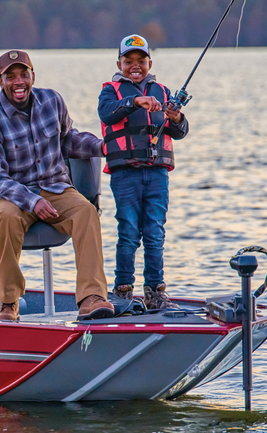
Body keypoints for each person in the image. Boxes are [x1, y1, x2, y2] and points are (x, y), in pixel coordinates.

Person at [0, 50, 114, 322]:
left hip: (56, 186)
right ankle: (8, 303)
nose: (19, 82)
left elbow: (69, 140)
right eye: (10, 76)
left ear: (33, 76)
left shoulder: (53, 101)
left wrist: (103, 146)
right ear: (0, 81)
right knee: (4, 218)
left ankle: (91, 298)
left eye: (24, 74)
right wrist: (32, 202)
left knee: (87, 212)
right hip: (13, 194)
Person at [98, 34, 189, 310]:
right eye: (129, 61)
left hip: (157, 175)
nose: (135, 66)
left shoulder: (163, 92)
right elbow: (106, 114)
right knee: (128, 232)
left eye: (141, 60)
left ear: (149, 62)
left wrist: (177, 118)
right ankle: (123, 290)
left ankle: (155, 292)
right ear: (119, 63)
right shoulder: (110, 91)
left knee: (154, 233)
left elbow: (180, 132)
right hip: (125, 174)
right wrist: (135, 102)